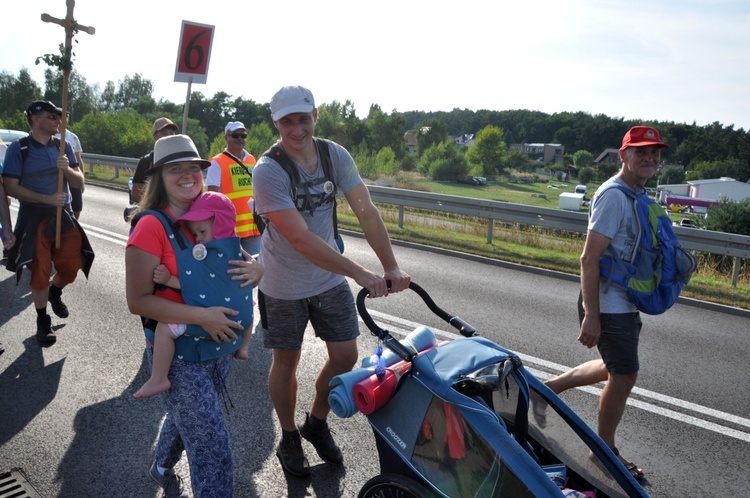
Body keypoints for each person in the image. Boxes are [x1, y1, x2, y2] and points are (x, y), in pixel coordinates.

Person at [252, 85, 410, 477]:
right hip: (283, 282)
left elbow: (366, 210)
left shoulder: (333, 155)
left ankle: (315, 422)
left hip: (327, 277)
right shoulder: (268, 170)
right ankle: (288, 437)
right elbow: (300, 238)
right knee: (286, 362)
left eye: (302, 118)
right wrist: (359, 272)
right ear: (276, 123)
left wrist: (390, 266)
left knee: (345, 356)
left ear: (315, 116)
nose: (296, 128)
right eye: (287, 121)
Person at [126, 134, 263, 497]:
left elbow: (232, 257)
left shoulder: (210, 211)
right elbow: (138, 300)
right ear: (159, 176)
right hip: (180, 354)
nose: (187, 175)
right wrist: (203, 316)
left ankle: (160, 465)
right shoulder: (150, 225)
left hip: (218, 344)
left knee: (190, 417)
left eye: (194, 168)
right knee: (213, 449)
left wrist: (257, 270)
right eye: (176, 169)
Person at [544, 125, 669, 481]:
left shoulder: (636, 195)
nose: (650, 158)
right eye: (641, 151)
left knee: (613, 367)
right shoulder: (614, 195)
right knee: (625, 374)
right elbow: (589, 258)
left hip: (623, 302)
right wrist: (592, 315)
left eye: (655, 152)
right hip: (608, 303)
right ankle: (605, 450)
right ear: (623, 155)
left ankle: (548, 389)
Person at [134, 191, 255, 399]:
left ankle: (159, 377)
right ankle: (244, 346)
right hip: (241, 320)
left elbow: (195, 284)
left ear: (219, 225)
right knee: (250, 304)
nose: (198, 239)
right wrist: (258, 270)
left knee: (164, 329)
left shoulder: (210, 255)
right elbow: (246, 274)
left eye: (201, 232)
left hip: (214, 320)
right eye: (195, 235)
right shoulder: (235, 247)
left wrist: (167, 280)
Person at [2, 100, 94, 344]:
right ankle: (43, 321)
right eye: (52, 117)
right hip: (34, 217)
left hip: (63, 217)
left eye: (59, 117)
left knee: (72, 266)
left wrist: (69, 169)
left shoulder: (63, 146)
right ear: (35, 119)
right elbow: (11, 186)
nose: (58, 122)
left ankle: (56, 291)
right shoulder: (18, 149)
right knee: (40, 271)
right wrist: (47, 198)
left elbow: (79, 183)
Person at [206, 121, 262, 256]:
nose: (240, 139)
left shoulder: (252, 160)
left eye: (243, 136)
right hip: (230, 228)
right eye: (235, 135)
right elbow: (212, 197)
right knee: (233, 268)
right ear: (226, 138)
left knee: (256, 266)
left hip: (253, 227)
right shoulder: (217, 162)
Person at [131, 117, 179, 205]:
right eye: (164, 133)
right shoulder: (147, 161)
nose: (169, 137)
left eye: (172, 133)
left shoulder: (180, 161)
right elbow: (136, 195)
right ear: (155, 136)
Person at [55, 129, 84, 219]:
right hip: (57, 176)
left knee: (77, 205)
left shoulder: (73, 137)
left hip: (72, 174)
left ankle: (74, 225)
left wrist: (82, 180)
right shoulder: (51, 134)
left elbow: (78, 159)